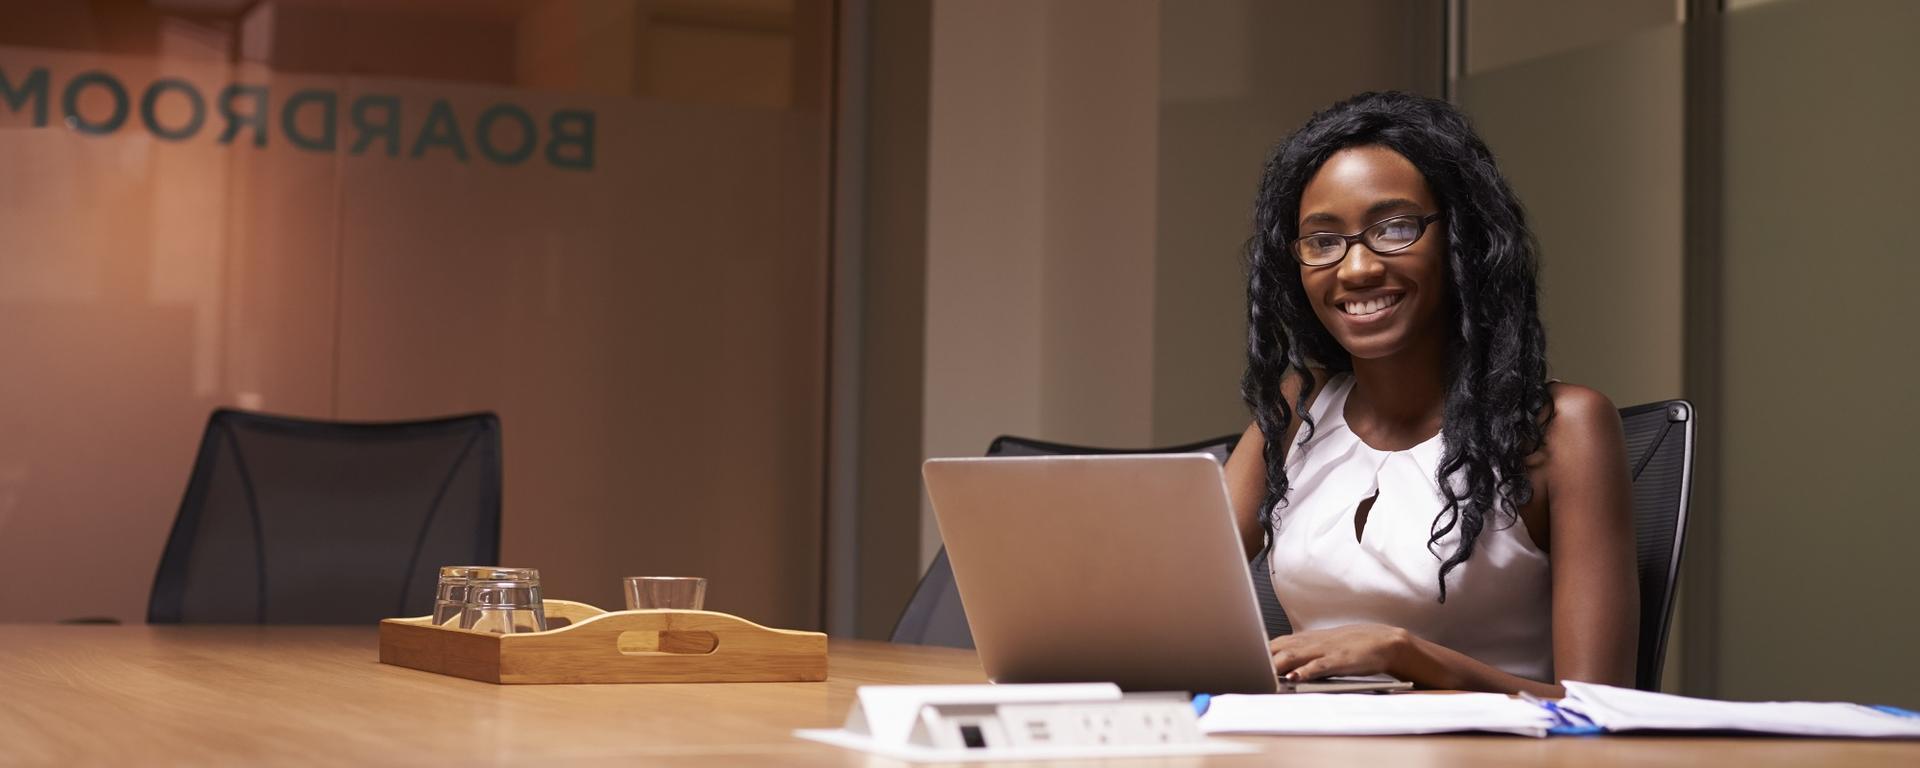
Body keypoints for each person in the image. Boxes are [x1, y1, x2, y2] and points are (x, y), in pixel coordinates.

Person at [1220, 91, 1637, 697]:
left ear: (1460, 240)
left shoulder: (1564, 427)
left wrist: (1406, 654)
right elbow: (1168, 603)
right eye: (1322, 239)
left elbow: (1605, 710)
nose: (1356, 267)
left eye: (1394, 228)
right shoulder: (1297, 414)